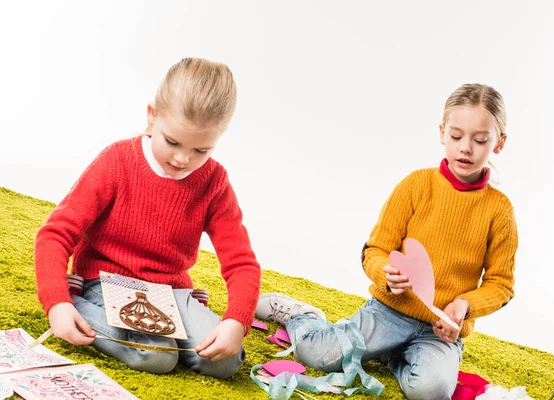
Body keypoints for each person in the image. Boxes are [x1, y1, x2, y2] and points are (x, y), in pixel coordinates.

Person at [256, 83, 518, 399]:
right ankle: (302, 316)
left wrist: (465, 305)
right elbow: (375, 250)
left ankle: (394, 354)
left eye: (480, 140)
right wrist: (385, 273)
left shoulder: (499, 211)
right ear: (441, 132)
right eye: (456, 136)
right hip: (388, 313)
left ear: (499, 143)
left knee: (431, 390)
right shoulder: (416, 185)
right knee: (314, 355)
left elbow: (501, 285)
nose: (465, 148)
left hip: (441, 333)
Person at [35, 57, 261, 379]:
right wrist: (57, 302)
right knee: (157, 356)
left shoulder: (214, 182)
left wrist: (236, 321)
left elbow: (241, 262)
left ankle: (180, 334)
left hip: (172, 293)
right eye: (172, 142)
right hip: (106, 281)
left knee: (226, 360)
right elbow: (55, 234)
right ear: (152, 117)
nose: (183, 159)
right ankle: (76, 300)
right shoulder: (117, 161)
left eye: (202, 150)